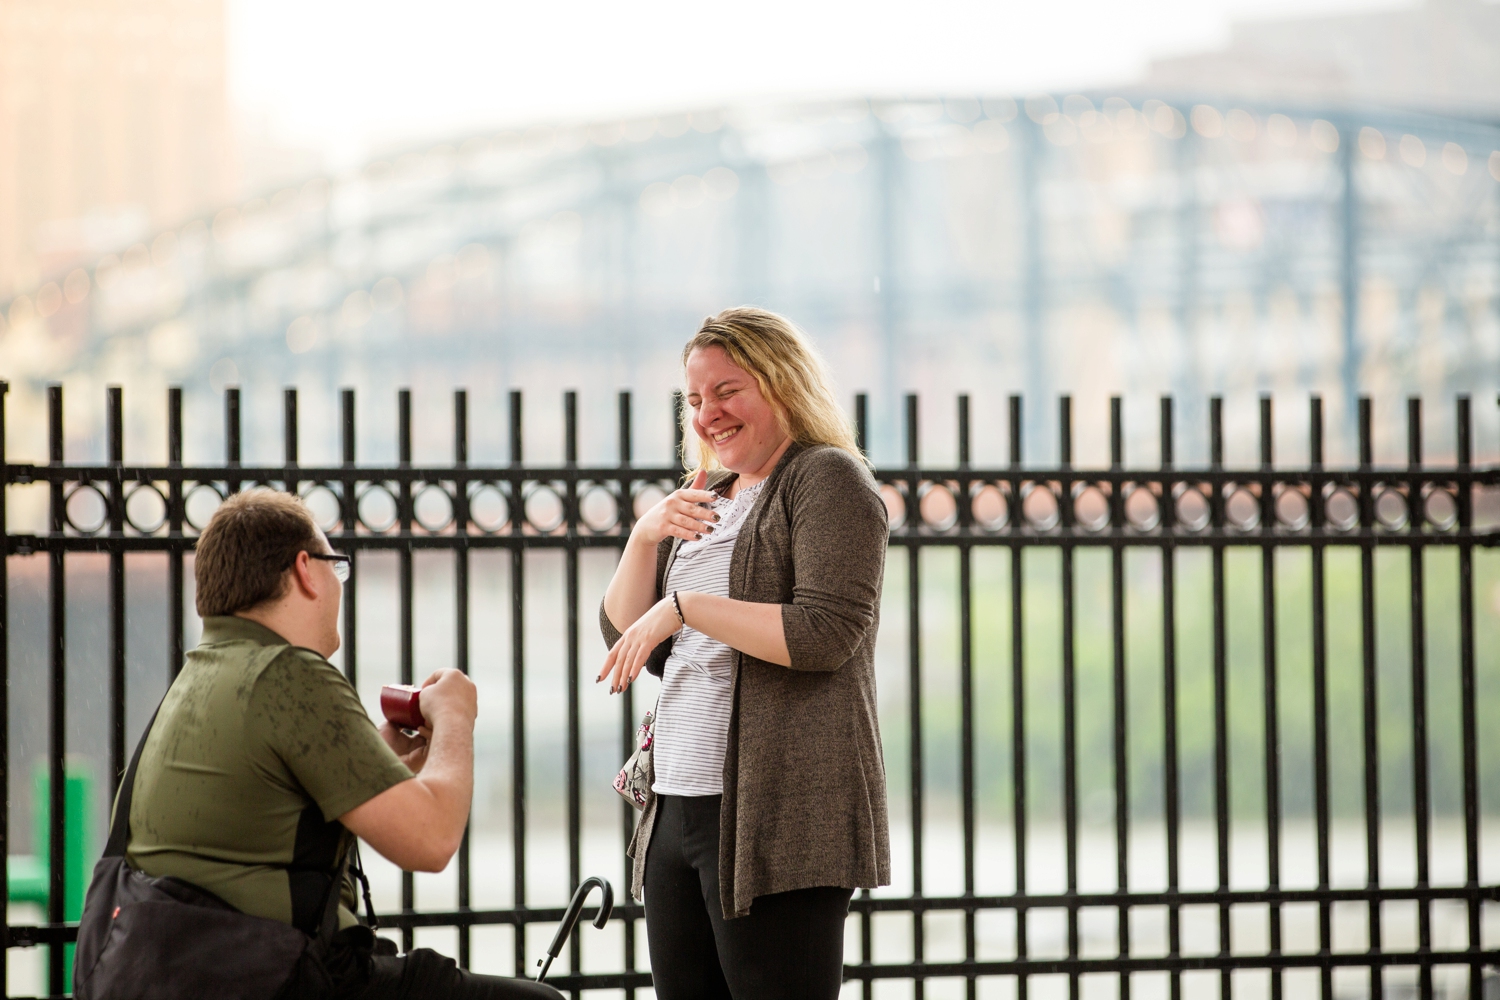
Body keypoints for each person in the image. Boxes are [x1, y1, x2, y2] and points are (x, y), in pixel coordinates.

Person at [123, 489, 560, 999]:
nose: (338, 585)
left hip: (194, 970)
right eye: (337, 567)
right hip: (284, 973)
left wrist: (380, 758)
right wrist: (456, 717)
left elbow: (268, 813)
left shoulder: (201, 675)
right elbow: (432, 840)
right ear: (306, 570)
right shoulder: (290, 675)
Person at [598, 307, 891, 1000]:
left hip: (779, 813)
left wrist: (688, 607)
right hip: (676, 804)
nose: (706, 415)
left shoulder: (827, 479)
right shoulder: (709, 497)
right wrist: (643, 539)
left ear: (783, 383)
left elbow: (825, 633)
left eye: (728, 391)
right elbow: (627, 639)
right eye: (694, 399)